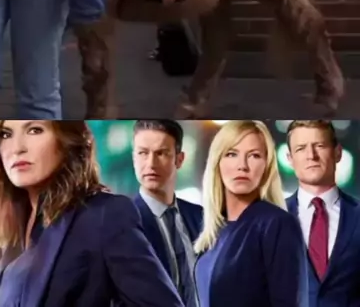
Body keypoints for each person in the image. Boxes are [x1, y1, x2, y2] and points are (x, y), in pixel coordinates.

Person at [0, 119, 184, 307]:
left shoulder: (104, 215)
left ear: (66, 139)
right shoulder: (10, 231)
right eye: (5, 134)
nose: (17, 148)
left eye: (35, 130)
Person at [194, 119, 308, 307]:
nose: (242, 165)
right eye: (232, 154)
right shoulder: (213, 234)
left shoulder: (276, 224)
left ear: (266, 166)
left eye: (254, 155)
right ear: (217, 162)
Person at [286, 120, 360, 307]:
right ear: (290, 158)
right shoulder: (269, 219)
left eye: (319, 146)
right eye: (301, 148)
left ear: (337, 152)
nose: (311, 156)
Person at [132, 119, 203, 307]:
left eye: (161, 153)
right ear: (134, 158)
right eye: (142, 153)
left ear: (179, 159)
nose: (151, 163)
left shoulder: (200, 217)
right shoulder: (123, 221)